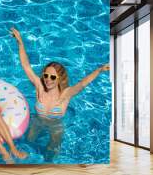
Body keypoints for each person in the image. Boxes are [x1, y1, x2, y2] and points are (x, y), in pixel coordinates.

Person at [10, 27, 109, 161]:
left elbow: (82, 84)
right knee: (28, 143)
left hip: (55, 126)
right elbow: (26, 66)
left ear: (59, 79)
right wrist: (20, 43)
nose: (48, 79)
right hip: (37, 121)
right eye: (46, 75)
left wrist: (99, 70)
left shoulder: (66, 94)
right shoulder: (39, 86)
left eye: (52, 77)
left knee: (51, 154)